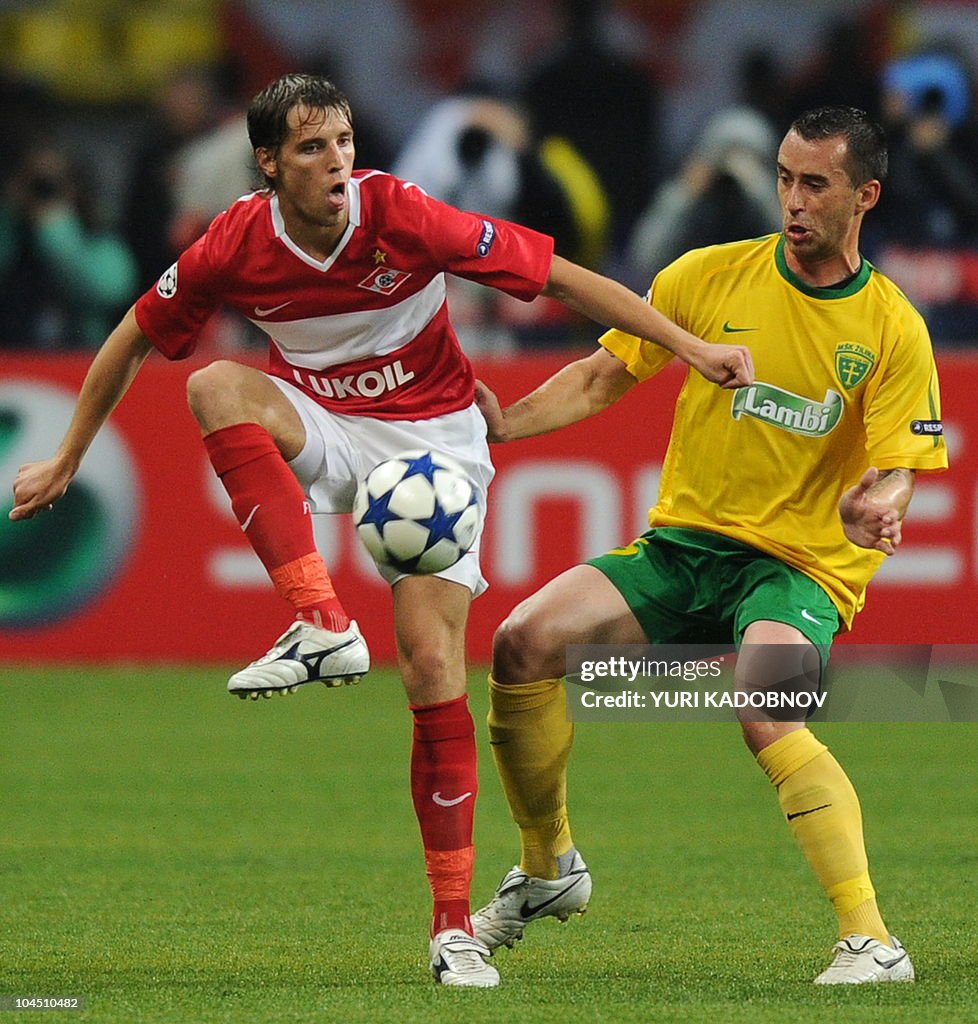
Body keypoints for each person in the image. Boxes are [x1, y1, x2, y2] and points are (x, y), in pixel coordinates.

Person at [7, 74, 751, 988]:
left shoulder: (401, 214)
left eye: (345, 141)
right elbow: (133, 333)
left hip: (435, 443)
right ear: (269, 162)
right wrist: (69, 458)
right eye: (313, 147)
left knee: (434, 668)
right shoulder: (236, 239)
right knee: (211, 384)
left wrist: (692, 348)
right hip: (324, 419)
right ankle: (319, 622)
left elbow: (561, 277)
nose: (337, 162)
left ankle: (452, 930)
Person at [470, 106, 948, 985]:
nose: (792, 201)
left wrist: (878, 504)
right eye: (785, 177)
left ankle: (872, 941)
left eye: (817, 184)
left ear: (865, 197)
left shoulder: (891, 327)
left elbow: (901, 468)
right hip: (685, 547)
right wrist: (508, 424)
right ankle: (548, 869)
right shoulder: (706, 276)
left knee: (765, 702)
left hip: (798, 566)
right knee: (521, 641)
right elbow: (604, 373)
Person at [0, 141, 137, 349]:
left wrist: (55, 228)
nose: (42, 191)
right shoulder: (10, 229)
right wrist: (10, 211)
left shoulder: (98, 234)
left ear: (74, 186)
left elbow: (113, 290)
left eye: (50, 184)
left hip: (77, 354)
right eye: (34, 182)